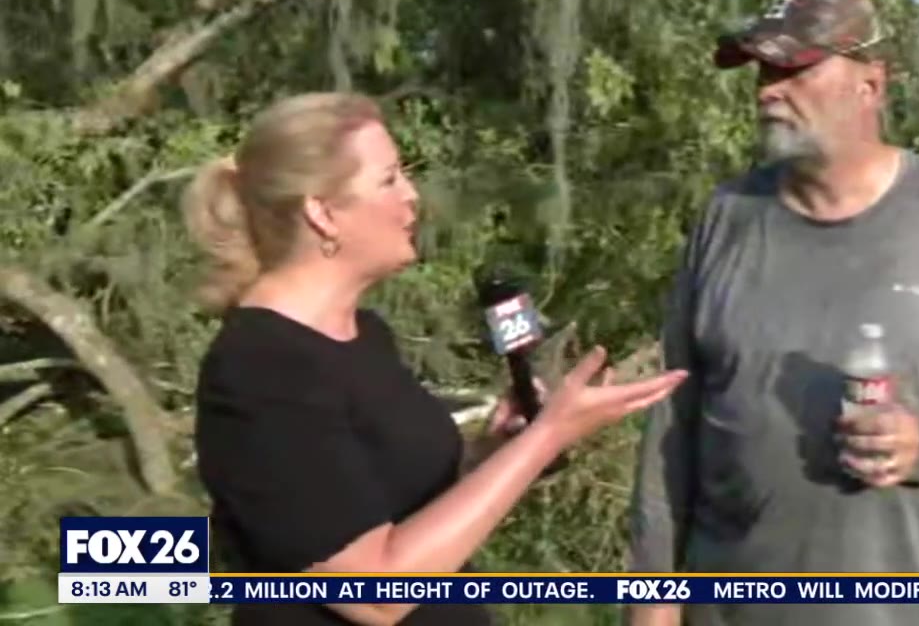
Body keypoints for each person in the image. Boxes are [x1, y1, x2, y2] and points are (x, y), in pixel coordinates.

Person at [626, 0, 919, 626]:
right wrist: (652, 601)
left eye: (793, 68)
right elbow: (674, 421)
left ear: (872, 83)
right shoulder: (729, 216)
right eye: (761, 71)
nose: (768, 89)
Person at [183, 92, 688, 626]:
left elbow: (400, 504)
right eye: (388, 179)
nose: (411, 196)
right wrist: (547, 437)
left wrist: (494, 452)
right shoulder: (261, 369)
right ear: (322, 213)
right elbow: (374, 594)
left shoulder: (364, 335)